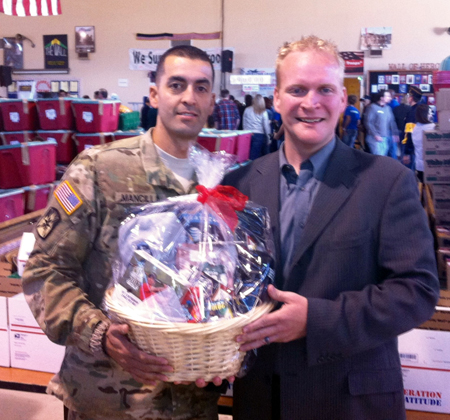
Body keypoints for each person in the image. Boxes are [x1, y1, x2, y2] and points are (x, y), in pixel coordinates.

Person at [223, 35, 439, 420]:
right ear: (276, 99)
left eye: (324, 89)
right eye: (297, 90)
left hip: (349, 401)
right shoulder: (238, 184)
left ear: (342, 98)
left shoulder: (387, 181)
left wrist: (316, 320)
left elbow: (417, 291)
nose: (311, 103)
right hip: (261, 400)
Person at [22, 45, 225, 420]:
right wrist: (99, 334)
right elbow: (44, 271)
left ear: (212, 101)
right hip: (108, 402)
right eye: (176, 85)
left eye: (201, 87)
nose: (188, 97)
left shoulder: (217, 185)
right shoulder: (100, 169)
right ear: (154, 95)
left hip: (191, 405)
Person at [364, 90, 398, 156]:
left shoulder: (388, 108)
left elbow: (392, 121)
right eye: (388, 96)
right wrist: (375, 134)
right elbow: (368, 122)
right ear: (381, 98)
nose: (390, 98)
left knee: (383, 157)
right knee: (379, 157)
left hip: (385, 137)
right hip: (374, 138)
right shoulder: (372, 107)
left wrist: (395, 133)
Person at [243, 94, 271, 160]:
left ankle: (247, 165)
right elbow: (266, 126)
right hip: (259, 134)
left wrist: (245, 133)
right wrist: (269, 138)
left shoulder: (247, 109)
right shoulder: (263, 111)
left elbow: (244, 123)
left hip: (248, 134)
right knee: (255, 155)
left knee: (247, 154)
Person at [412, 103, 435, 183]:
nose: (431, 115)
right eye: (429, 113)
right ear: (424, 115)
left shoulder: (415, 127)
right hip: (431, 165)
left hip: (419, 166)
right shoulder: (432, 127)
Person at [402, 85, 423, 170]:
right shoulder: (422, 109)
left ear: (411, 97)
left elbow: (410, 133)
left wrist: (407, 152)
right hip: (419, 146)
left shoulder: (412, 112)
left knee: (408, 171)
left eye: (408, 96)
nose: (407, 98)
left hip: (412, 148)